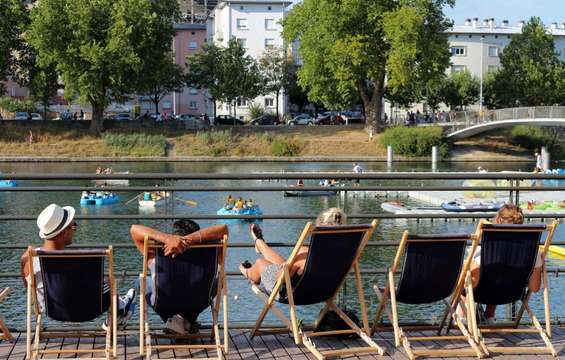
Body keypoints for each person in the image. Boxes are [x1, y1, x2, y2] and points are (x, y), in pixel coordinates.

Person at [20, 204, 136, 327]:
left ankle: (121, 308)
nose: (74, 230)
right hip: (90, 310)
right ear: (64, 233)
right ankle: (120, 309)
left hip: (53, 310)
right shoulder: (80, 259)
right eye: (73, 226)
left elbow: (30, 291)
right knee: (110, 283)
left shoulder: (28, 259)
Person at [130, 221, 228, 334]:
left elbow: (134, 229)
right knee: (220, 281)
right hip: (197, 303)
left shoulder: (159, 251)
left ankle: (174, 320)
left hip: (164, 304)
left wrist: (168, 238)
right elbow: (224, 229)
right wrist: (190, 240)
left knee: (140, 281)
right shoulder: (211, 251)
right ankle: (187, 320)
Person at [239, 208, 347, 296]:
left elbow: (282, 278)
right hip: (323, 292)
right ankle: (259, 243)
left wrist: (284, 268)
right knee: (289, 263)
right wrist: (286, 266)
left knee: (260, 263)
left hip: (293, 293)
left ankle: (247, 272)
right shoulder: (344, 253)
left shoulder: (306, 253)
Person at [468, 204, 543, 324]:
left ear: (498, 220)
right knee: (499, 273)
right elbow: (534, 287)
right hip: (513, 294)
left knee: (463, 277)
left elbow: (472, 277)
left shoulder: (488, 248)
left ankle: (464, 317)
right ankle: (489, 317)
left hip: (482, 293)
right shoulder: (533, 251)